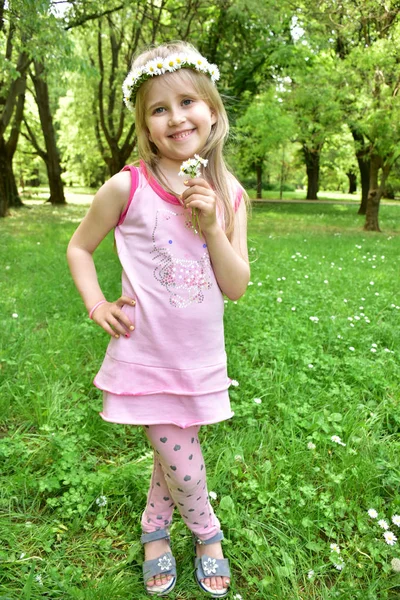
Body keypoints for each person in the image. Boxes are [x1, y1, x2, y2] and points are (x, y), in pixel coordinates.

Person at [67, 41, 249, 598]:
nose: (176, 117)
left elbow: (235, 286)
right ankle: (206, 533)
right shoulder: (129, 186)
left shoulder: (231, 194)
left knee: (174, 453)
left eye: (188, 101)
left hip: (197, 358)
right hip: (146, 353)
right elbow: (79, 247)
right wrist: (97, 303)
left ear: (212, 111)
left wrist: (213, 224)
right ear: (145, 126)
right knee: (184, 461)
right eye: (159, 108)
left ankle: (153, 530)